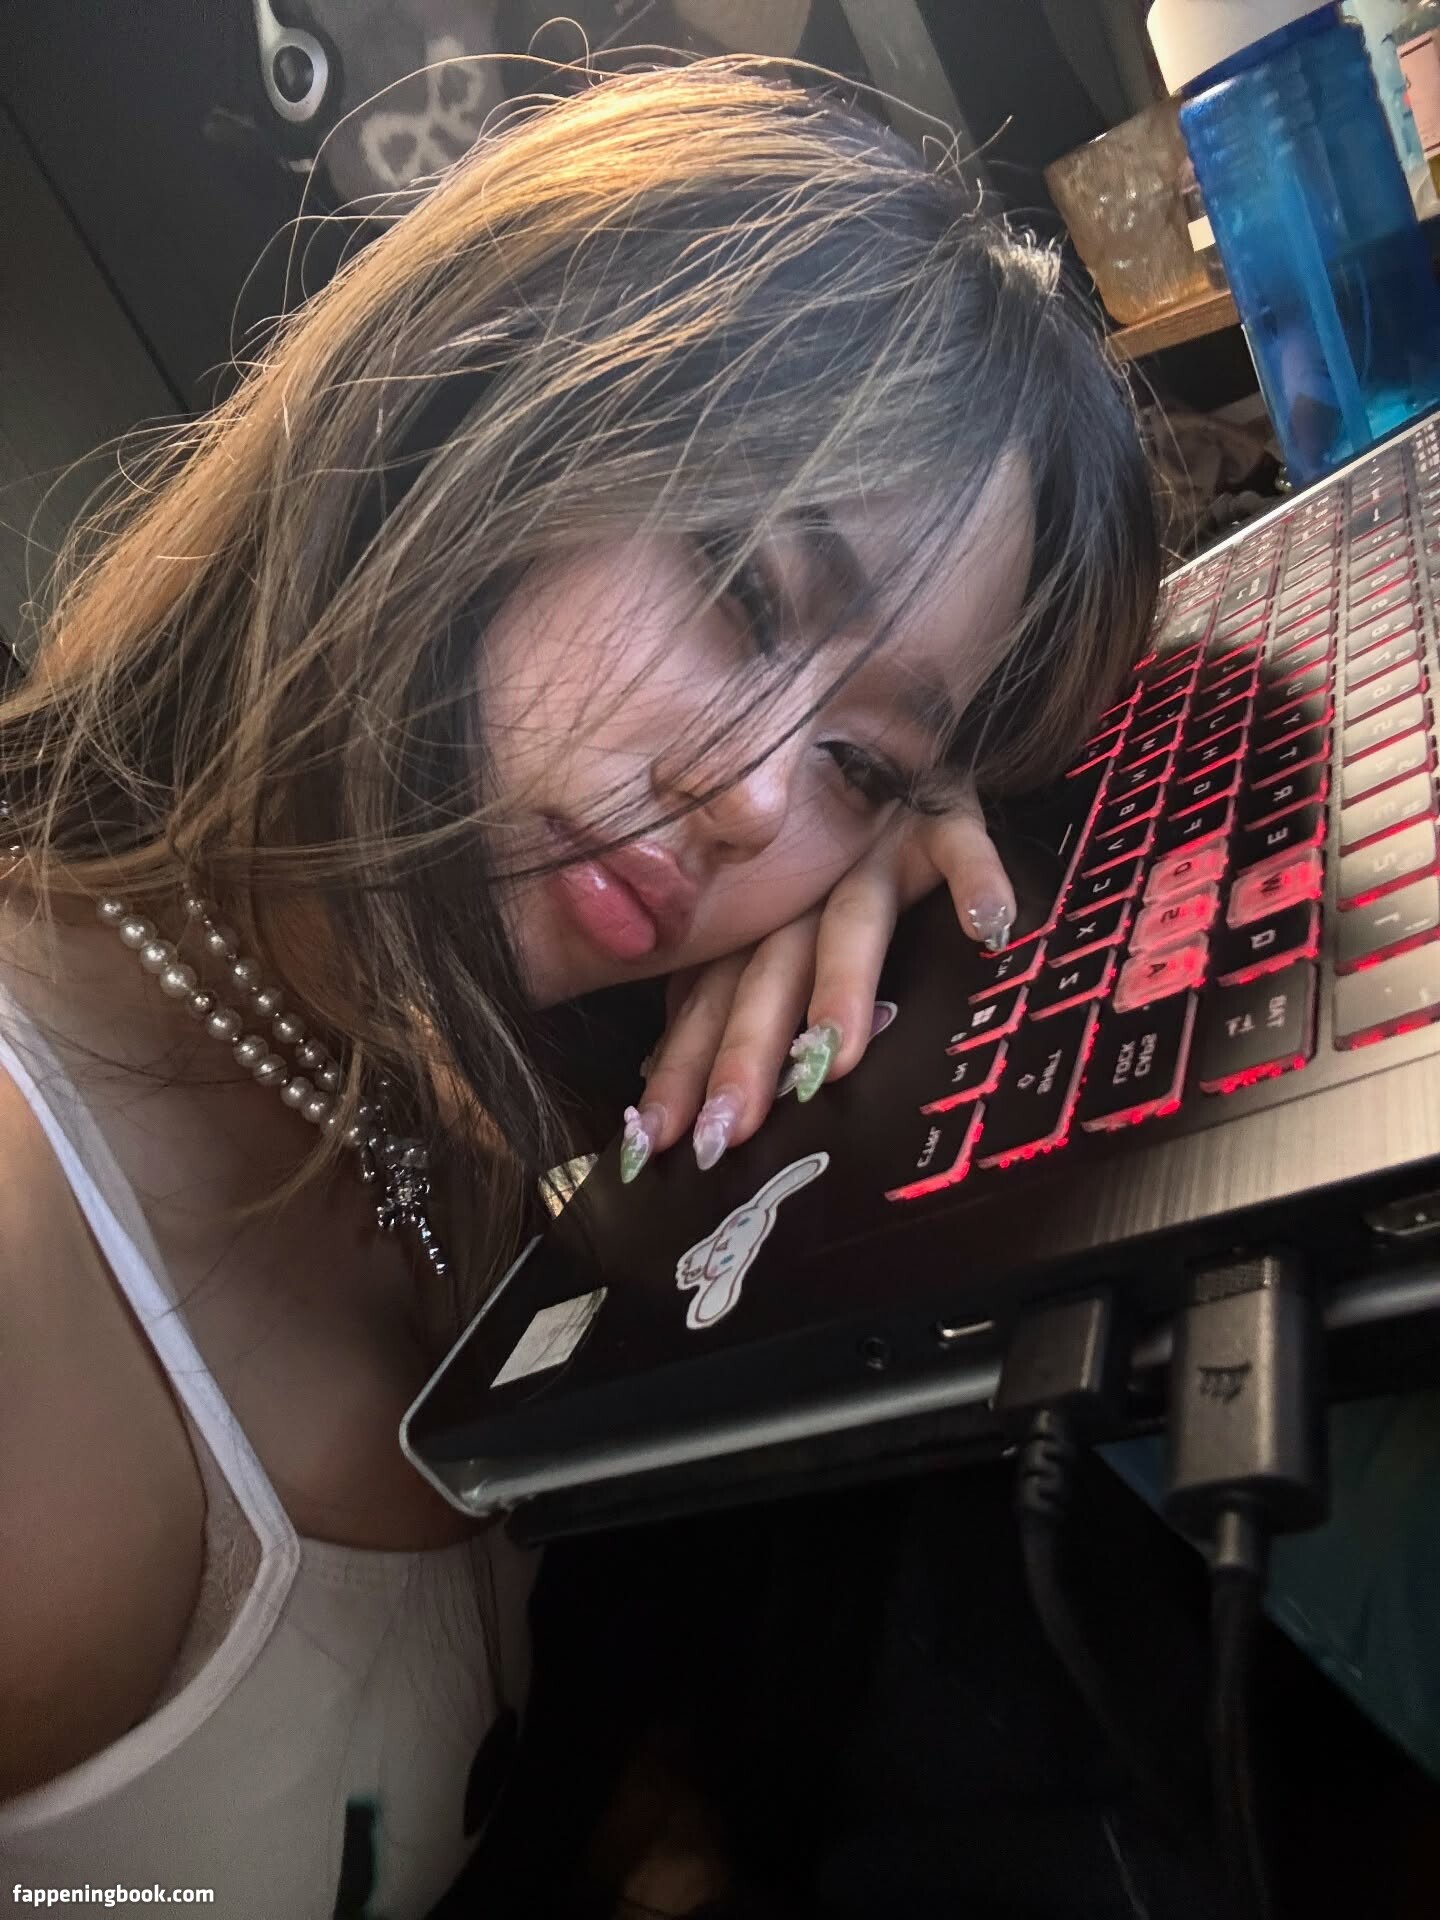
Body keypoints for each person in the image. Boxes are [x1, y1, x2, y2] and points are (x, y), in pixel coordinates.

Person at [0, 57, 1158, 1918]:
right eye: (741, 589)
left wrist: (911, 881)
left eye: (859, 765)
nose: (749, 799)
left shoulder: (467, 1049)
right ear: (479, 408)